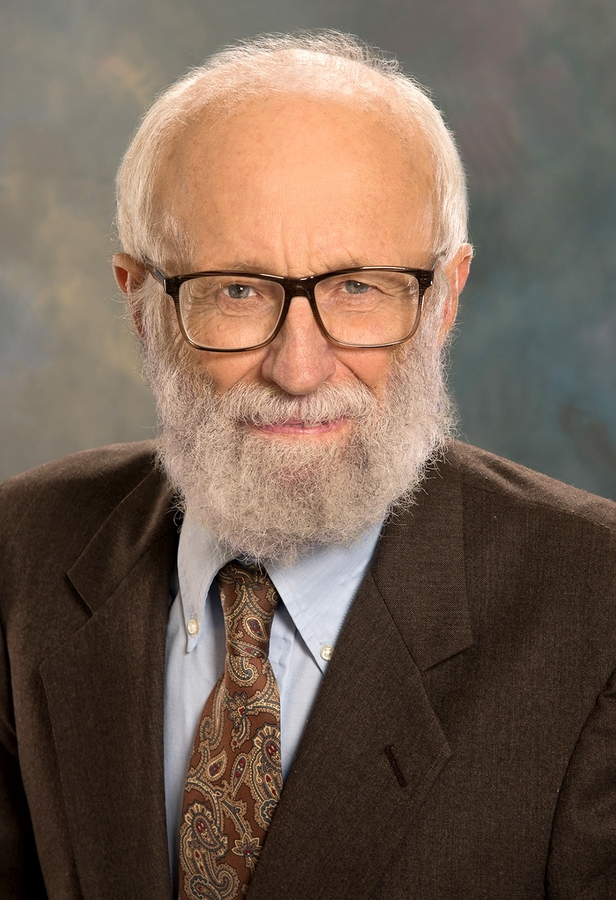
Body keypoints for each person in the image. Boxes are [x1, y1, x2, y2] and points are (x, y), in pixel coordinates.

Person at [1, 30, 616, 900]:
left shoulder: (598, 610)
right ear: (141, 305)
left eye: (358, 287)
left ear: (445, 299)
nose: (298, 369)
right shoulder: (18, 554)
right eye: (237, 290)